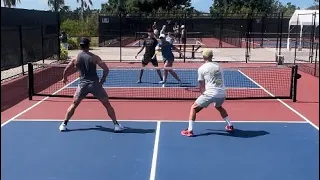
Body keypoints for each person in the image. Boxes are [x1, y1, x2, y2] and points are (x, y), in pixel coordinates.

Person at [59, 37, 124, 132]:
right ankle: (116, 125)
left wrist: (64, 78)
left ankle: (63, 125)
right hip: (95, 85)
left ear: (80, 46)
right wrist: (102, 81)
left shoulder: (76, 58)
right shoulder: (95, 57)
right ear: (88, 45)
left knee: (74, 104)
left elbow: (66, 69)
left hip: (82, 86)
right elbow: (106, 69)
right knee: (107, 105)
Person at [181, 48, 234, 137]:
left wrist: (203, 96)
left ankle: (189, 131)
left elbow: (201, 85)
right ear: (212, 56)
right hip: (222, 93)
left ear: (203, 57)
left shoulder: (202, 68)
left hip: (210, 93)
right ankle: (230, 125)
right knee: (218, 106)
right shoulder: (219, 66)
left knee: (193, 108)